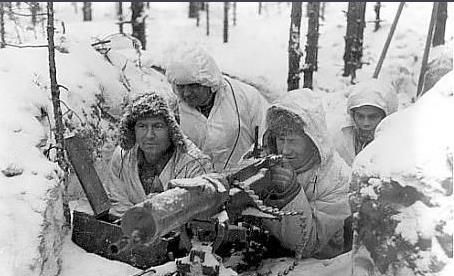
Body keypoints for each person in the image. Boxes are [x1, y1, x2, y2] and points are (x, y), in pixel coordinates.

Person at [247, 89, 351, 259]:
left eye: (293, 141)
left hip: (317, 265)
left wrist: (291, 194)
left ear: (312, 141)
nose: (285, 150)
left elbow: (309, 245)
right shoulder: (263, 154)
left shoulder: (337, 179)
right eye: (281, 139)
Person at [105, 92, 213, 217]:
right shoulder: (122, 156)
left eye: (158, 126)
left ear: (172, 129)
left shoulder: (194, 164)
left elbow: (199, 213)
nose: (149, 135)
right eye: (142, 126)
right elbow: (117, 202)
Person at [165, 47, 269, 171]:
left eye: (193, 86)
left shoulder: (246, 97)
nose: (187, 93)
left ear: (209, 83)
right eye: (181, 87)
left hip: (244, 179)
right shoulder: (172, 108)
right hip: (197, 184)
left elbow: (267, 135)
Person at [333, 78, 398, 166]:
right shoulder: (339, 137)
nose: (365, 123)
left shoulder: (397, 144)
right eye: (360, 116)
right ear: (352, 115)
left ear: (385, 117)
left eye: (373, 117)